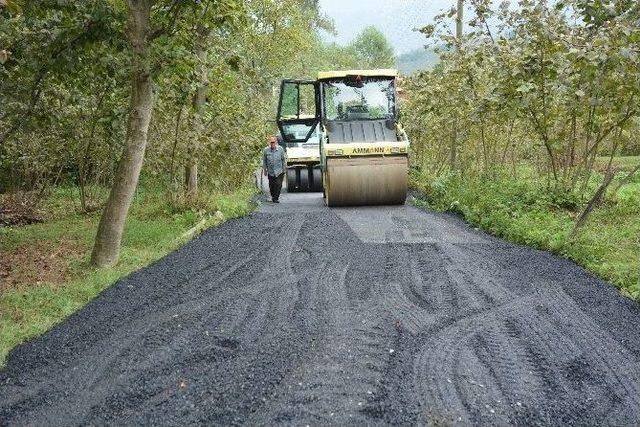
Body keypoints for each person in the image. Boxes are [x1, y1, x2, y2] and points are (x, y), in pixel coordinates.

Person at [262, 135, 287, 203]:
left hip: (279, 171)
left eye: (273, 142)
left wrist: (284, 169)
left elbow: (283, 160)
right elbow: (264, 161)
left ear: (276, 142)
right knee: (272, 185)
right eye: (271, 142)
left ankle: (276, 198)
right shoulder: (266, 150)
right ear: (269, 143)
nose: (272, 143)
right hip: (271, 171)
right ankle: (273, 196)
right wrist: (265, 170)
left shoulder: (280, 149)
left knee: (278, 184)